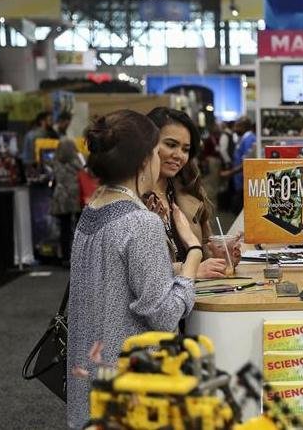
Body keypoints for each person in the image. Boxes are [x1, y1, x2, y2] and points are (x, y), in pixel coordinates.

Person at [67, 110, 200, 429]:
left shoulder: (94, 209)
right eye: (158, 151)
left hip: (92, 378)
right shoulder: (140, 222)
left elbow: (116, 280)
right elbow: (165, 315)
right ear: (144, 160)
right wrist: (193, 255)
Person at [145, 107, 238, 279]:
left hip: (197, 293)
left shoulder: (189, 191)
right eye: (171, 145)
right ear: (148, 143)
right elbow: (136, 272)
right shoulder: (133, 199)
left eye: (185, 149)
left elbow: (203, 251)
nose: (179, 155)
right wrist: (190, 270)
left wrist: (220, 257)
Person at [50, 138, 83, 266]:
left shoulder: (55, 162)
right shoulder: (77, 161)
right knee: (80, 227)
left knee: (64, 228)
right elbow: (86, 172)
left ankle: (65, 257)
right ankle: (80, 256)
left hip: (62, 197)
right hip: (76, 196)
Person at [222, 116, 257, 214]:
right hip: (239, 180)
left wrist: (230, 172)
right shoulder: (242, 138)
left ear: (244, 126)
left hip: (244, 180)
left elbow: (247, 162)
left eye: (237, 126)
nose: (234, 129)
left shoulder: (250, 139)